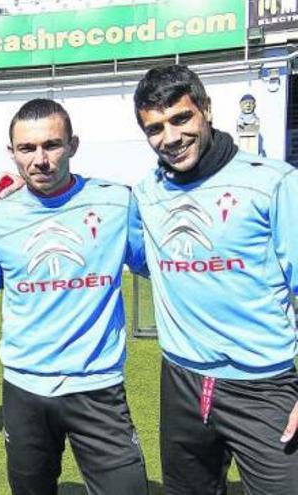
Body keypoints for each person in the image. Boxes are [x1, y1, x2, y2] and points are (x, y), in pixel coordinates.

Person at [0, 98, 149, 495]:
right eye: (27, 149)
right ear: (12, 153)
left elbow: (159, 266)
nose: (40, 159)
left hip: (97, 386)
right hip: (25, 390)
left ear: (74, 145)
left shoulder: (117, 202)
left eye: (52, 145)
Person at [132, 64, 298, 494]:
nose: (170, 138)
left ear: (205, 109)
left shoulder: (274, 183)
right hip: (182, 382)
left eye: (181, 118)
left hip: (264, 385)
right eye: (155, 129)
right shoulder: (147, 194)